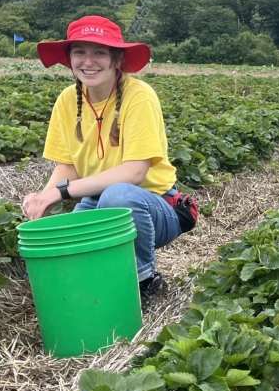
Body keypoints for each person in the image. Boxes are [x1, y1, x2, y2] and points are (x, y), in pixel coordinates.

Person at [22, 16, 184, 297]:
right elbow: (69, 167)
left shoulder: (139, 96)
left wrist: (60, 194)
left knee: (118, 196)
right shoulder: (67, 100)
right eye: (80, 52)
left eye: (99, 52)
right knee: (61, 246)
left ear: (117, 59)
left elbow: (134, 173)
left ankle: (142, 281)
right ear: (69, 59)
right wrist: (43, 199)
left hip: (153, 207)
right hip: (97, 202)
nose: (89, 61)